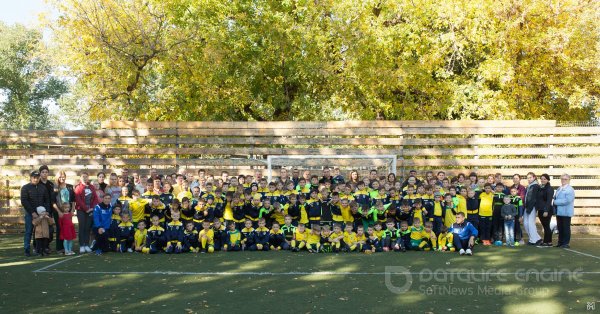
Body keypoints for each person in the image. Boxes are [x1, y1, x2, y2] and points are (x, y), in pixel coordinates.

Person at [20, 170, 50, 257]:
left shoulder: (42, 188)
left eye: (37, 178)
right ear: (31, 178)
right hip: (30, 213)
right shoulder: (25, 188)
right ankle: (27, 250)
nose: (36, 179)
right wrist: (32, 212)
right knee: (29, 231)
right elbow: (24, 201)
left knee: (40, 232)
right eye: (34, 177)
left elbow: (47, 200)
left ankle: (39, 249)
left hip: (42, 214)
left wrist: (46, 211)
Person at [75, 172, 100, 253]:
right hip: (81, 210)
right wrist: (86, 209)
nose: (85, 178)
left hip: (90, 210)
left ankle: (86, 244)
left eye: (86, 177)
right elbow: (78, 200)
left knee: (88, 227)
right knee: (82, 227)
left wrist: (92, 208)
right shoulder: (78, 187)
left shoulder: (91, 187)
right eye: (83, 177)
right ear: (80, 178)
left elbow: (95, 198)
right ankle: (82, 245)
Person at [553, 173, 575, 248]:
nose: (563, 180)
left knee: (565, 228)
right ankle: (560, 242)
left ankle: (565, 243)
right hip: (559, 212)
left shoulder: (570, 189)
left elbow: (567, 200)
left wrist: (555, 202)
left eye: (565, 179)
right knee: (560, 228)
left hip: (566, 212)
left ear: (569, 180)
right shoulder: (559, 188)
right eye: (562, 179)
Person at [523, 172, 542, 245]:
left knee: (530, 224)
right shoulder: (529, 186)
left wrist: (530, 208)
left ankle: (533, 240)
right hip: (527, 207)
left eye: (530, 177)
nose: (529, 179)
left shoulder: (535, 186)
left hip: (532, 207)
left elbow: (533, 199)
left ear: (534, 177)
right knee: (525, 223)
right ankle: (537, 238)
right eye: (528, 178)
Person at [537, 174, 555, 247]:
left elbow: (549, 201)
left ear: (548, 180)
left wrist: (546, 210)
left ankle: (546, 241)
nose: (542, 180)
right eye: (541, 179)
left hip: (546, 210)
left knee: (546, 226)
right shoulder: (541, 187)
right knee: (545, 226)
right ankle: (549, 242)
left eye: (544, 179)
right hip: (540, 210)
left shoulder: (550, 188)